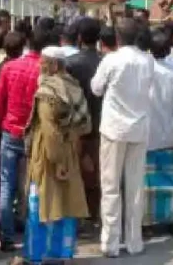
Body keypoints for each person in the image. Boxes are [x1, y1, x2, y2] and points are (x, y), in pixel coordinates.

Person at [91, 18, 154, 257]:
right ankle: (134, 241)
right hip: (139, 128)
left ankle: (110, 242)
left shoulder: (111, 60)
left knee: (110, 186)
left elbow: (96, 88)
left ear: (117, 38)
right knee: (135, 186)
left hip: (114, 129)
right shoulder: (147, 60)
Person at [23, 46, 90, 263]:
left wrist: (58, 160)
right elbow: (85, 124)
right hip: (69, 149)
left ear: (53, 65)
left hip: (49, 155)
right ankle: (64, 253)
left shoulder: (47, 92)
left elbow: (49, 131)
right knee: (66, 203)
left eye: (42, 62)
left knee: (40, 205)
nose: (39, 65)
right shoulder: (73, 86)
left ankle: (38, 256)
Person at [0, 29, 47, 251]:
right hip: (33, 133)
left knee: (6, 184)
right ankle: (31, 232)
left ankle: (7, 236)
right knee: (32, 184)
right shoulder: (44, 70)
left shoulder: (9, 67)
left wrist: (2, 123)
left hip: (10, 131)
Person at [143, 31, 173, 235]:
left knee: (147, 180)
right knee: (170, 179)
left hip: (147, 132)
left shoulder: (144, 69)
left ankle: (147, 222)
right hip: (168, 130)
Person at [65, 17, 103, 225]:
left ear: (79, 38)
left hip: (76, 127)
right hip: (100, 125)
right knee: (97, 175)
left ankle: (79, 217)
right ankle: (94, 216)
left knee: (77, 173)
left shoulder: (70, 64)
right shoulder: (104, 61)